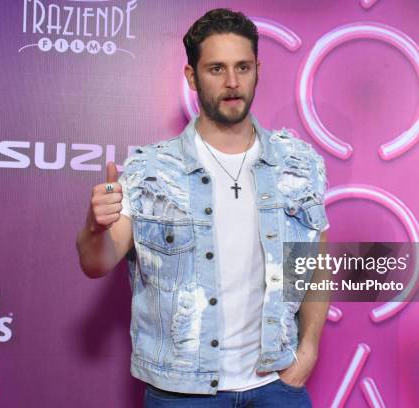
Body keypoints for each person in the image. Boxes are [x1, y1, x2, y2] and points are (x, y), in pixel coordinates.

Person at [76, 8, 330, 407]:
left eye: (242, 67)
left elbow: (313, 263)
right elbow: (96, 263)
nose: (232, 82)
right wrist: (94, 227)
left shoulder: (299, 164)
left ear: (257, 70)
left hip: (275, 387)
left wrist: (309, 348)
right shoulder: (151, 169)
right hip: (183, 392)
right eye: (216, 69)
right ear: (192, 76)